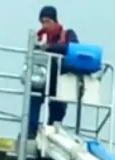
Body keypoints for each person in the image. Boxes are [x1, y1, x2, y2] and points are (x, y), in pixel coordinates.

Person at [29, 5, 79, 139]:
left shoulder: (68, 34)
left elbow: (73, 48)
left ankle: (52, 133)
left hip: (60, 79)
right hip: (43, 78)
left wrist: (49, 48)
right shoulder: (38, 38)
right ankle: (31, 130)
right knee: (33, 97)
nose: (44, 25)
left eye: (47, 22)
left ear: (55, 21)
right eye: (42, 22)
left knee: (58, 107)